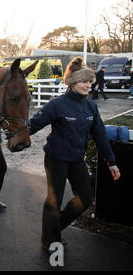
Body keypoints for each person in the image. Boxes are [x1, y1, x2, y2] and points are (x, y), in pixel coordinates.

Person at [29, 57, 120, 254]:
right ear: (71, 82)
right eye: (83, 81)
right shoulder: (57, 104)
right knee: (54, 199)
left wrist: (111, 161)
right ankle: (49, 239)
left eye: (90, 81)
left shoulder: (91, 107)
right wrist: (14, 135)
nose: (88, 85)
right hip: (56, 158)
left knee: (85, 199)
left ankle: (54, 227)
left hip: (76, 158)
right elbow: (33, 125)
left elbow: (100, 134)